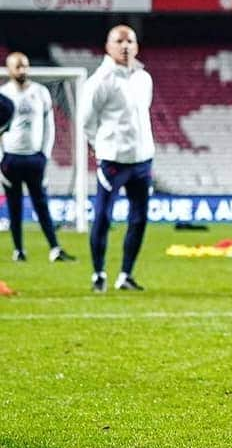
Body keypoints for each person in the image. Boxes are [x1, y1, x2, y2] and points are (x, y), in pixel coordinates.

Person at [81, 25, 154, 292]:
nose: (125, 46)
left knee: (139, 219)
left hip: (143, 160)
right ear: (107, 46)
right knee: (103, 216)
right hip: (112, 161)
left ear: (136, 46)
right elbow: (86, 121)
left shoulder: (144, 78)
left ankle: (125, 275)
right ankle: (98, 273)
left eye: (130, 41)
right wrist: (98, 147)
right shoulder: (99, 81)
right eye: (119, 41)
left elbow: (142, 113)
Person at [1, 52, 74, 262]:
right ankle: (19, 250)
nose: (22, 70)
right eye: (17, 66)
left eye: (25, 65)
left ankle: (54, 249)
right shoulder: (3, 94)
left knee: (41, 204)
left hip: (34, 158)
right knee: (14, 206)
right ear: (9, 69)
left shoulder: (40, 92)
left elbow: (49, 126)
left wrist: (44, 154)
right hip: (11, 158)